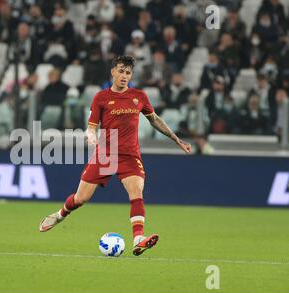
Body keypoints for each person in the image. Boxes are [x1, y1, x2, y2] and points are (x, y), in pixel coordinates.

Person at [39, 56, 192, 256]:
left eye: (128, 73)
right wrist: (92, 137)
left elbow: (154, 119)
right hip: (105, 155)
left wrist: (176, 139)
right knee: (80, 198)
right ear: (113, 72)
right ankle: (60, 215)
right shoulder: (101, 97)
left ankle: (138, 239)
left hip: (129, 155)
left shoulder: (139, 96)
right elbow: (91, 127)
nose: (124, 76)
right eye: (121, 71)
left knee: (136, 192)